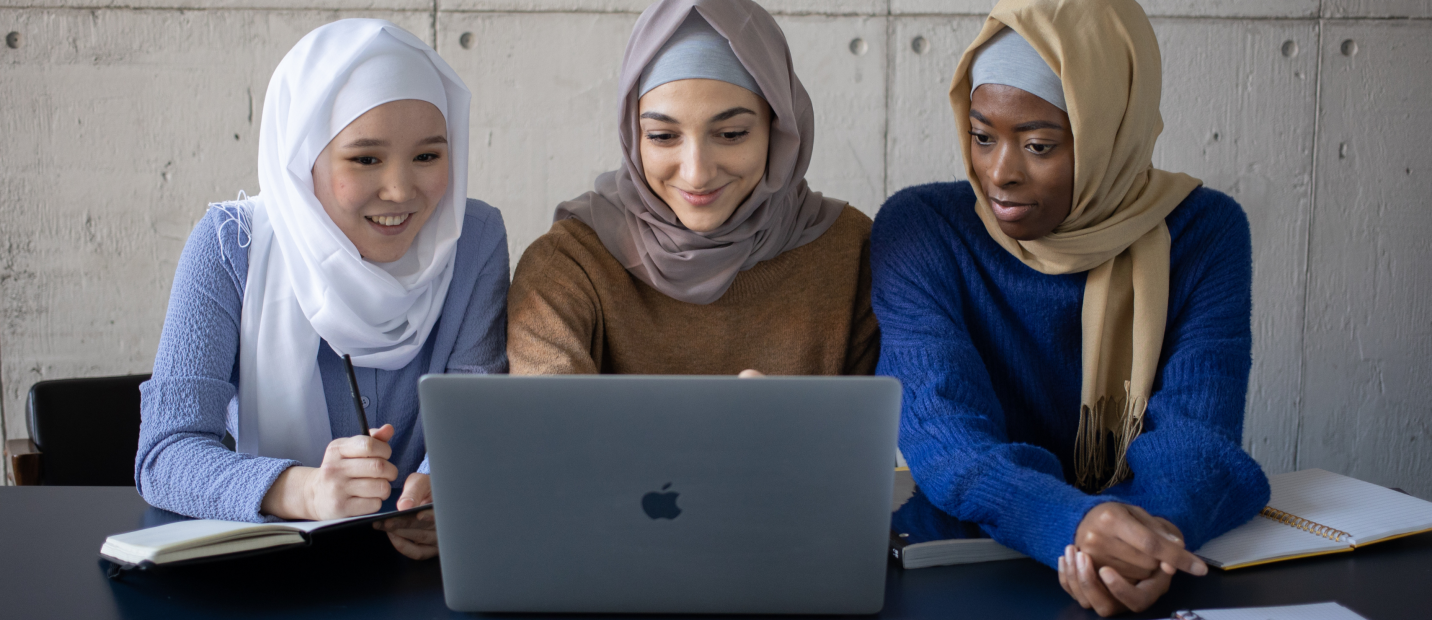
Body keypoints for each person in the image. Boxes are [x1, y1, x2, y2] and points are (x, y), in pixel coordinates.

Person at [870, 0, 1269, 615]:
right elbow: (945, 435)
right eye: (981, 136)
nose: (999, 173)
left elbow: (1198, 432)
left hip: (1142, 562)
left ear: (1111, 132)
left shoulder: (1203, 231)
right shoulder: (923, 229)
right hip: (961, 567)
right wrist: (1078, 527)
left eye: (1038, 144)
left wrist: (1144, 542)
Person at [134, 19, 509, 561]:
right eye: (365, 158)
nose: (402, 190)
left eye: (428, 156)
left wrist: (445, 491)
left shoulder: (472, 239)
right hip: (266, 574)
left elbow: (479, 412)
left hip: (419, 576)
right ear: (301, 157)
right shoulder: (229, 245)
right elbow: (165, 455)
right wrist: (305, 489)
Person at [506, 0, 877, 378]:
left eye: (731, 134)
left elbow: (885, 428)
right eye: (663, 136)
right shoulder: (572, 262)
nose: (697, 173)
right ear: (635, 137)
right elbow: (548, 429)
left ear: (779, 132)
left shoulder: (851, 251)